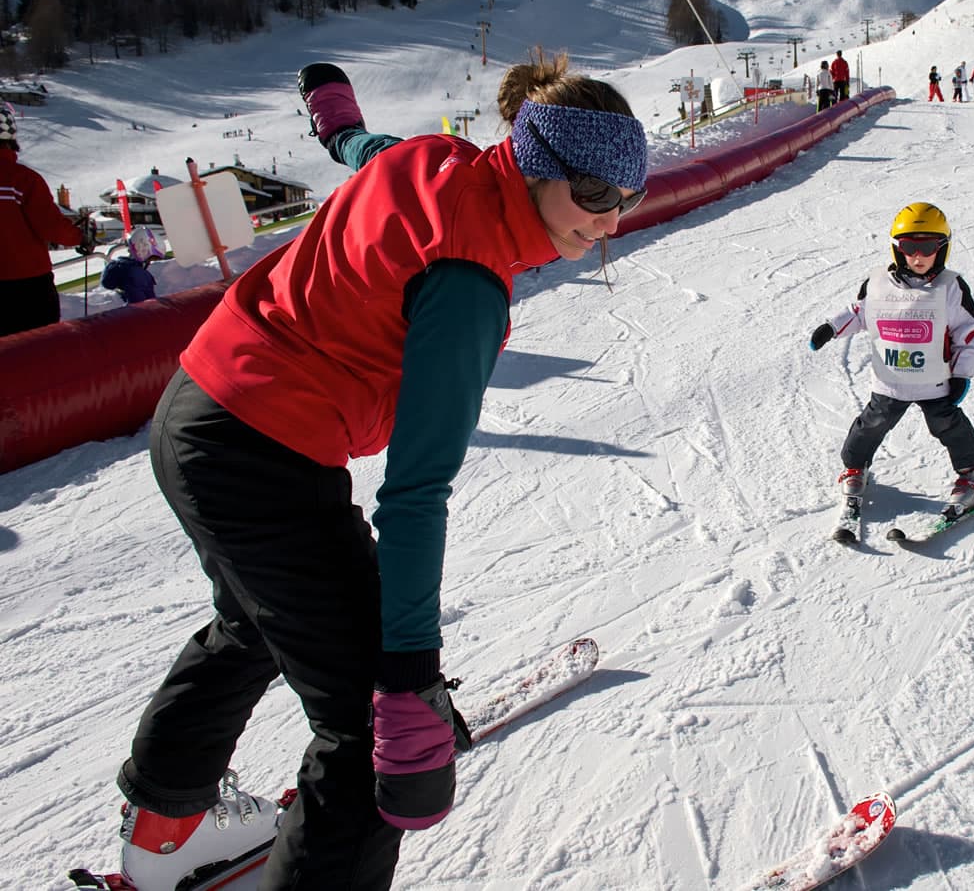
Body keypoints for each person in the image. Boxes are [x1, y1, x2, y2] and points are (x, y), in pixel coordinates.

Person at [109, 50, 648, 890]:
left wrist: (335, 116)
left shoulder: (436, 160)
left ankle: (164, 830)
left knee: (257, 620)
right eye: (593, 195)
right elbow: (415, 495)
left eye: (629, 197)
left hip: (197, 413)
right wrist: (405, 679)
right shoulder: (469, 278)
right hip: (263, 456)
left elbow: (364, 148)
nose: (611, 219)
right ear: (536, 164)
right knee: (367, 737)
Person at [808, 202, 974, 519]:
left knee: (947, 426)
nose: (918, 256)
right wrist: (831, 328)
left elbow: (967, 333)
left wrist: (962, 375)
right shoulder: (879, 283)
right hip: (891, 379)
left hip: (935, 381)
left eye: (927, 247)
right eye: (910, 247)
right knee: (871, 426)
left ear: (943, 248)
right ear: (898, 248)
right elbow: (859, 313)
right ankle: (855, 469)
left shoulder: (951, 287)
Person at [0, 107, 92, 336]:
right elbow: (51, 226)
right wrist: (80, 237)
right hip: (27, 287)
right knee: (38, 352)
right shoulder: (21, 180)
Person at [100, 225, 164, 305]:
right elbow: (142, 306)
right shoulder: (137, 275)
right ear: (143, 252)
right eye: (151, 259)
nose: (151, 263)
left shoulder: (123, 269)